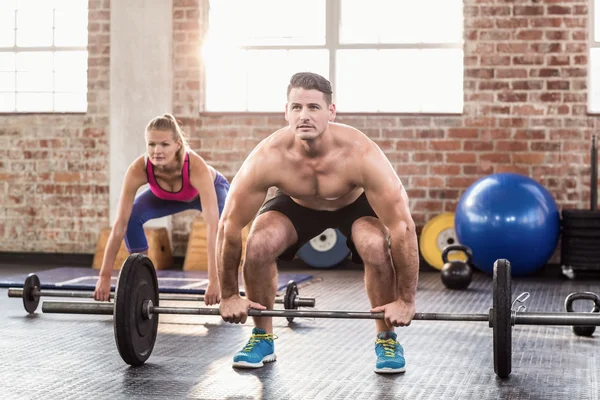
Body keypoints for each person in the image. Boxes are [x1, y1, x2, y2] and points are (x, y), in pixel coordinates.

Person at [217, 72, 419, 374]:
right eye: (296, 107)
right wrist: (230, 294)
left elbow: (403, 228)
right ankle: (262, 337)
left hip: (354, 204)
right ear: (286, 112)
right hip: (296, 203)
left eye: (313, 107)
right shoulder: (268, 157)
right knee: (258, 243)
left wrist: (406, 300)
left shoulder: (360, 154)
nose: (304, 115)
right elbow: (229, 226)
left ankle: (386, 339)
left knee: (375, 245)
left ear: (331, 112)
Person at [93, 114, 229, 305]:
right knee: (131, 217)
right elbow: (120, 225)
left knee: (225, 228)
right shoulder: (138, 169)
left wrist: (214, 281)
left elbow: (212, 227)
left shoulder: (195, 167)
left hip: (209, 191)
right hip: (167, 197)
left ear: (178, 144)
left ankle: (227, 284)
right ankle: (141, 277)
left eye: (164, 144)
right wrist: (105, 276)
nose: (157, 151)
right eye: (151, 144)